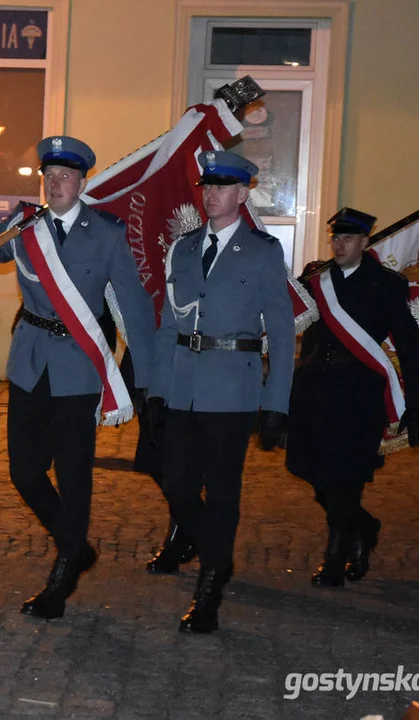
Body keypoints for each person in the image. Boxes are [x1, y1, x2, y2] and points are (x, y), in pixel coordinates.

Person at [0, 135, 155, 620]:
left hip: (79, 367)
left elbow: (133, 304)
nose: (56, 183)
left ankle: (63, 573)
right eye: (49, 176)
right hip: (29, 361)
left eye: (65, 176)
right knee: (23, 470)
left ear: (82, 183)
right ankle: (74, 544)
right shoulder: (26, 226)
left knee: (74, 473)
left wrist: (144, 375)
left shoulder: (106, 233)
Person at [147, 150, 295, 634]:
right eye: (207, 186)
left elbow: (282, 328)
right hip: (183, 385)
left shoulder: (263, 250)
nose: (211, 194)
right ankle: (215, 552)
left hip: (233, 388)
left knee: (224, 490)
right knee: (177, 484)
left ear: (242, 194)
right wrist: (156, 390)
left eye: (223, 186)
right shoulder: (184, 248)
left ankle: (209, 590)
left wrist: (276, 403)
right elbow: (169, 322)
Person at [286, 207, 419, 589]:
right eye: (336, 237)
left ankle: (334, 557)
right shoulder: (315, 280)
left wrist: (416, 402)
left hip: (358, 395)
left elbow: (410, 345)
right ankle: (363, 526)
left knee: (345, 478)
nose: (340, 244)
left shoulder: (386, 285)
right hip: (314, 390)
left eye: (348, 238)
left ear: (366, 242)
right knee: (313, 474)